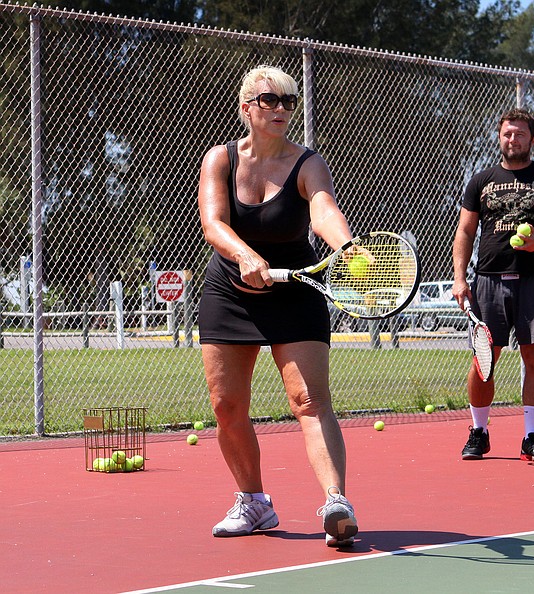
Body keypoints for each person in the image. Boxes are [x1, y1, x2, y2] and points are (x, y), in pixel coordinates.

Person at [196, 65, 357, 547]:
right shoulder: (220, 160)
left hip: (296, 290)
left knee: (309, 401)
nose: (282, 108)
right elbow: (213, 223)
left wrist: (346, 247)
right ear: (247, 107)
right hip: (230, 291)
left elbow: (323, 209)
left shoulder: (307, 162)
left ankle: (337, 503)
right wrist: (245, 254)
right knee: (227, 407)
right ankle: (254, 502)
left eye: (289, 100)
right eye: (271, 100)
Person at [451, 107, 534, 463]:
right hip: (489, 281)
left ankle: (531, 438)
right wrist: (460, 278)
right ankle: (479, 432)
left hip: (533, 280)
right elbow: (465, 230)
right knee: (483, 359)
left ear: (532, 139)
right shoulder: (481, 180)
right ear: (500, 137)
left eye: (520, 134)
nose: (513, 139)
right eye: (508, 133)